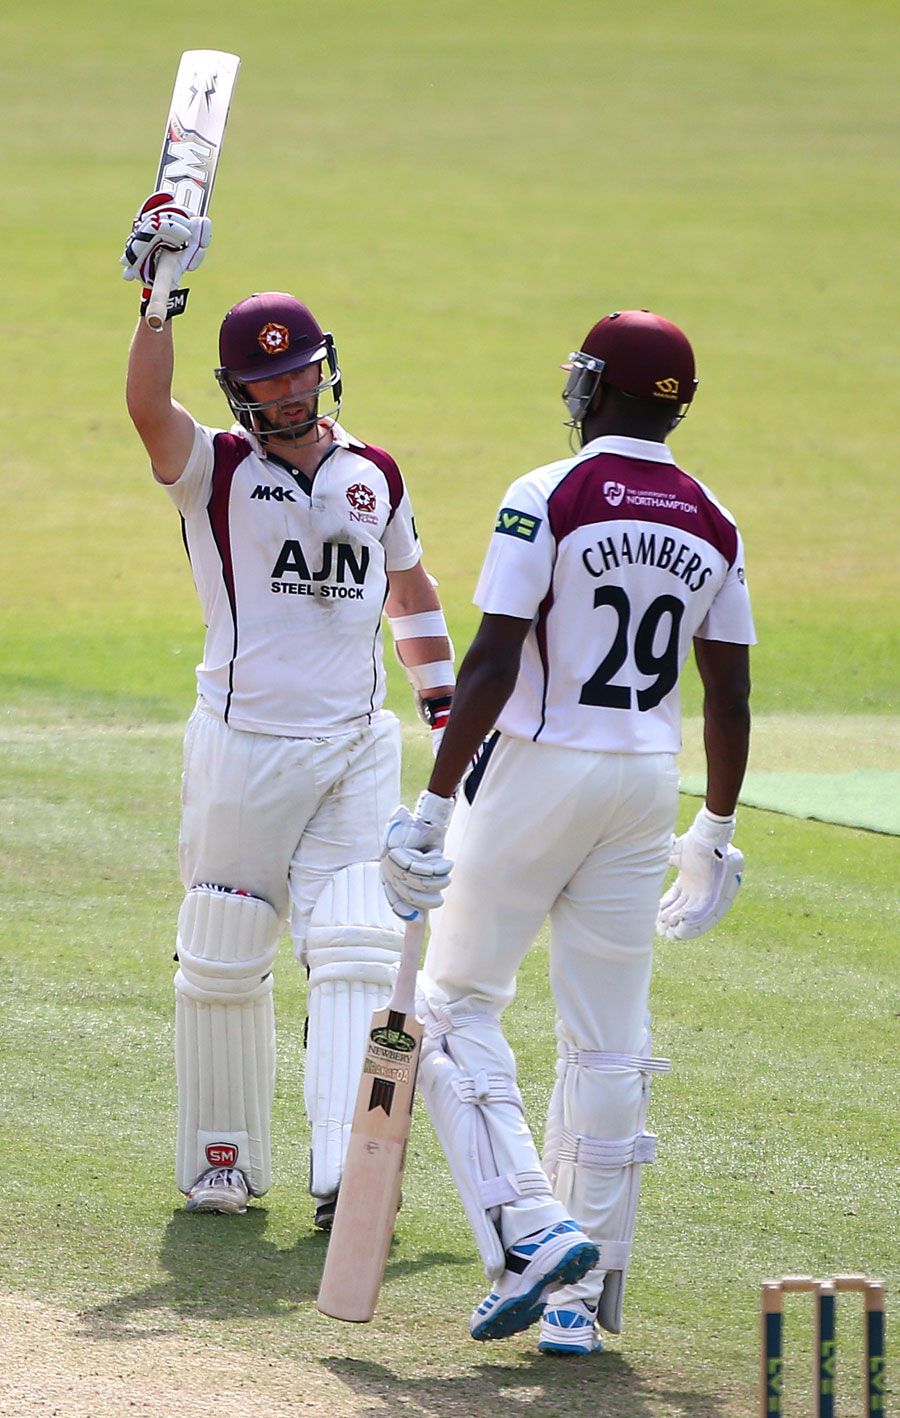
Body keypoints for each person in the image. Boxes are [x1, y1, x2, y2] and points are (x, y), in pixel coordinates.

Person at [381, 309, 754, 1354]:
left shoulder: (549, 492)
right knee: (608, 1040)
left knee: (449, 1010)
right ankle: (580, 1303)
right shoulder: (715, 519)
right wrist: (713, 828)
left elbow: (494, 662)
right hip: (645, 778)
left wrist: (432, 806)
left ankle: (532, 1228)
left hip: (542, 765)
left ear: (598, 388)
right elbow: (728, 695)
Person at [121, 192, 455, 1224]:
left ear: (325, 366)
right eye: (268, 380)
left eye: (301, 370)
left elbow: (411, 590)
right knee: (224, 941)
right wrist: (158, 298)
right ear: (241, 393)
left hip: (355, 743)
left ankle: (346, 1164)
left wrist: (444, 710)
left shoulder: (374, 472)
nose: (290, 391)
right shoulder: (213, 471)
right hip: (242, 744)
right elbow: (146, 411)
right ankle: (222, 1158)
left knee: (358, 937)